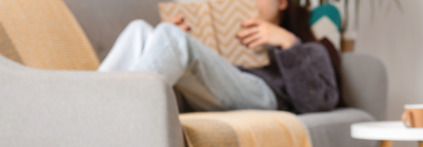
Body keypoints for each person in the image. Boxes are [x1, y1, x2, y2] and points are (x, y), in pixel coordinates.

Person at [99, 0, 340, 114]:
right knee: (140, 29)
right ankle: (90, 102)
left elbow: (317, 103)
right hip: (213, 84)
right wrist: (164, 42)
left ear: (282, 2)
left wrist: (287, 43)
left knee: (169, 36)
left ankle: (118, 112)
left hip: (264, 94)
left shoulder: (309, 49)